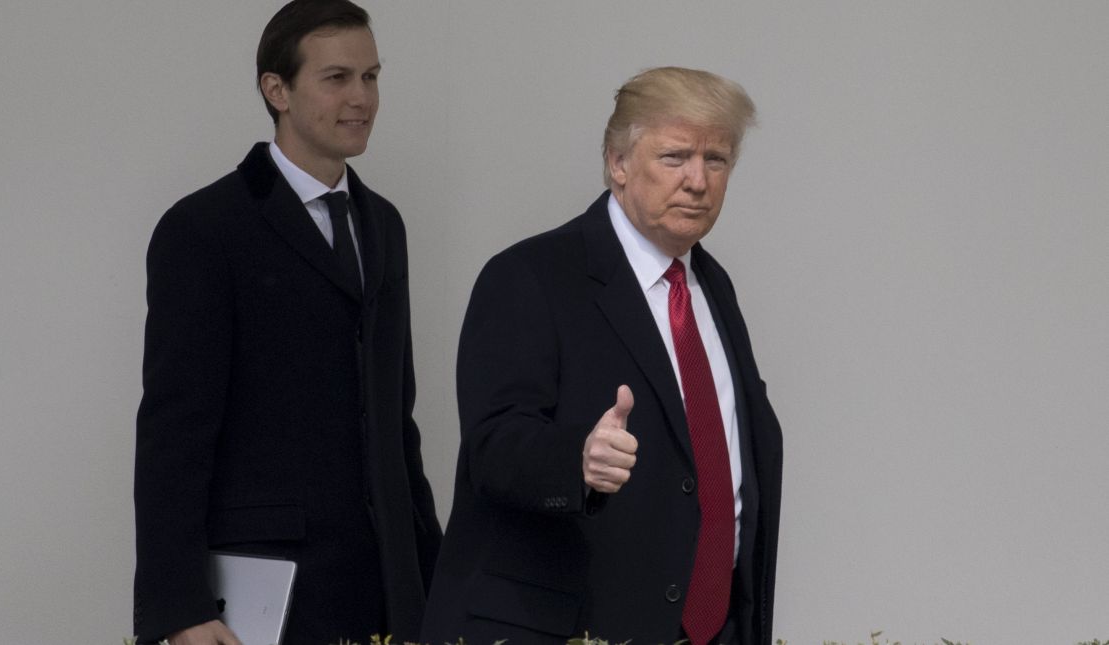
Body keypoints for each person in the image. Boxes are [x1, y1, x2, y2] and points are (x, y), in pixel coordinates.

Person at [421, 67, 783, 645]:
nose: (698, 180)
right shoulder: (530, 276)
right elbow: (493, 446)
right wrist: (579, 461)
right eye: (675, 156)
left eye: (716, 160)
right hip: (569, 627)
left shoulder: (713, 288)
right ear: (618, 163)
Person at [133, 2, 441, 643]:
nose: (362, 98)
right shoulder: (205, 229)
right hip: (266, 593)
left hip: (387, 592)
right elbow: (174, 434)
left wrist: (434, 581)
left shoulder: (384, 225)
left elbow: (394, 421)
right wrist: (181, 605)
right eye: (337, 78)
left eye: (372, 76)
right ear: (277, 89)